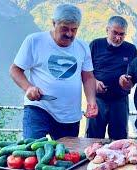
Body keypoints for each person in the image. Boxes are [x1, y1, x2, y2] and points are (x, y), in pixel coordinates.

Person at [9, 4, 98, 140]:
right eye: (64, 29)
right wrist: (28, 88)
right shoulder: (35, 41)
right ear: (53, 23)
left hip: (69, 114)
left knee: (65, 158)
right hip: (38, 108)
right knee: (32, 153)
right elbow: (15, 70)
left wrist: (91, 101)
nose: (69, 34)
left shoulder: (82, 46)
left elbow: (88, 77)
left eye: (74, 30)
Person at [87, 16, 137, 140]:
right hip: (97, 99)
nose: (118, 37)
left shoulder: (131, 49)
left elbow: (136, 75)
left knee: (119, 138)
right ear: (107, 30)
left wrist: (127, 81)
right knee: (92, 138)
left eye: (122, 34)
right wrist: (95, 82)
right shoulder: (95, 45)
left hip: (120, 100)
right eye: (115, 33)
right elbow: (85, 71)